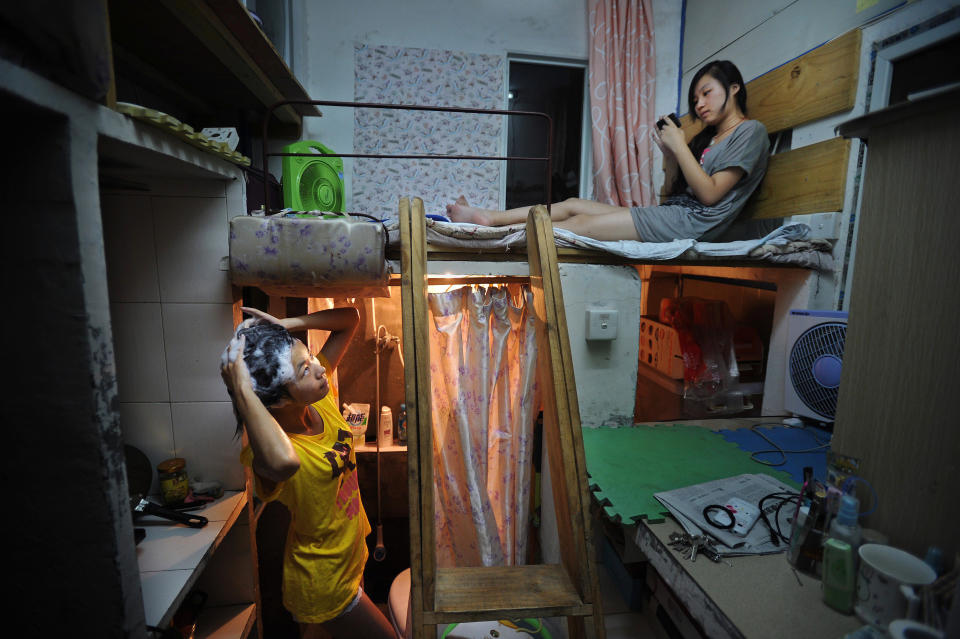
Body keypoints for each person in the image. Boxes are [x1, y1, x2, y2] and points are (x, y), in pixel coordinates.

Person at [447, 60, 769, 243]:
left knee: (583, 225)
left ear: (734, 88)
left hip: (696, 225)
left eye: (706, 93)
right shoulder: (707, 138)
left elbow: (711, 196)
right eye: (695, 98)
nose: (699, 104)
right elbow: (670, 195)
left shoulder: (750, 132)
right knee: (573, 204)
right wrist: (672, 156)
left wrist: (680, 146)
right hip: (675, 214)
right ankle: (490, 217)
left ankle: (495, 234)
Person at [220, 306, 396, 639]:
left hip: (347, 557)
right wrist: (242, 389)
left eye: (311, 356)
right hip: (322, 580)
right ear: (277, 402)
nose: (318, 368)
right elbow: (287, 464)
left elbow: (350, 320)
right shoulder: (269, 456)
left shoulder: (317, 400)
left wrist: (286, 326)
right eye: (304, 369)